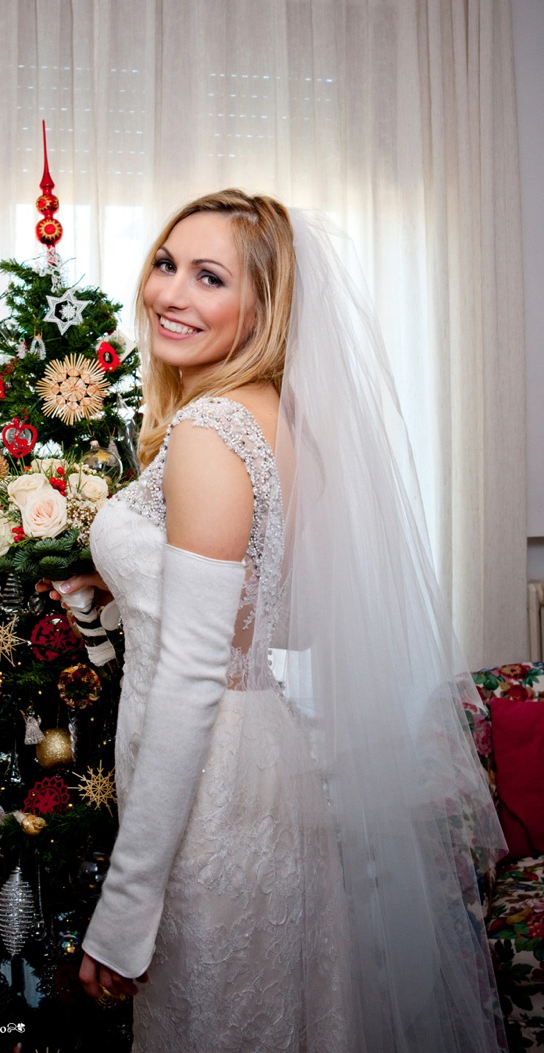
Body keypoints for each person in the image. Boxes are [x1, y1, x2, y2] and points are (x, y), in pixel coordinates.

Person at [52, 189, 507, 1052]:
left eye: (209, 277)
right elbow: (279, 623)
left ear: (262, 307)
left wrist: (124, 910)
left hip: (207, 788)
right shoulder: (282, 420)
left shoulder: (210, 431)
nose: (169, 294)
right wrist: (123, 593)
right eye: (165, 263)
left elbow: (192, 673)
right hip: (265, 760)